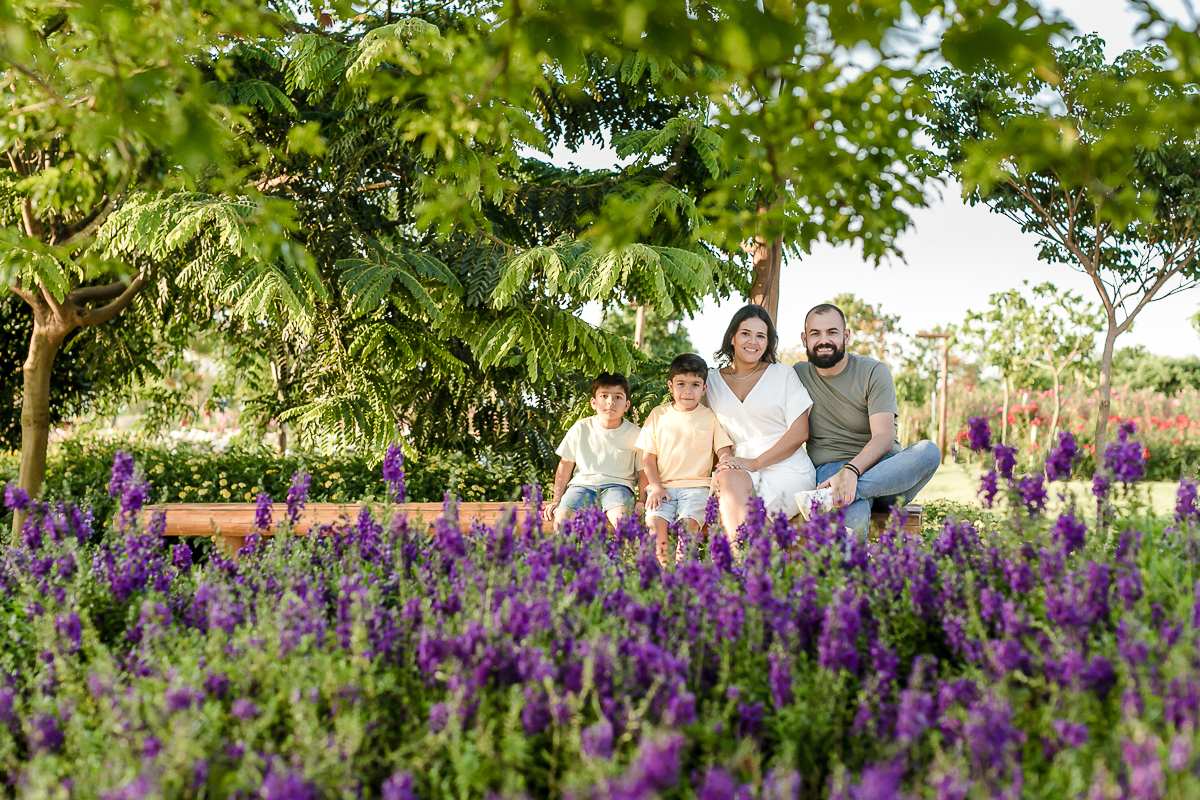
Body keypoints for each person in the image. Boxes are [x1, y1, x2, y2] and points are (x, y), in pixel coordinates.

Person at [792, 303, 941, 533]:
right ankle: (840, 500)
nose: (823, 340)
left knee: (929, 451)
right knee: (853, 519)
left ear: (846, 335)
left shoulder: (873, 371)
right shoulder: (797, 375)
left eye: (832, 332)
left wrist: (851, 473)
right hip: (831, 469)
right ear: (804, 339)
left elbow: (883, 437)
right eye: (815, 334)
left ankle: (831, 496)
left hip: (886, 473)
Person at [707, 305, 816, 536]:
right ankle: (748, 565)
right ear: (732, 337)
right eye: (745, 333)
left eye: (761, 336)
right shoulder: (711, 380)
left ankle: (740, 567)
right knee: (728, 480)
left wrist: (755, 463)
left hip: (787, 469)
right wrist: (726, 456)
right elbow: (708, 427)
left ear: (768, 343)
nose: (752, 342)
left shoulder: (782, 374)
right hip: (737, 468)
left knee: (750, 518)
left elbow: (800, 432)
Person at [637, 354, 734, 565]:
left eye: (695, 385)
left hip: (696, 488)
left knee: (688, 526)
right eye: (681, 384)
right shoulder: (658, 414)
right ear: (671, 387)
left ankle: (683, 573)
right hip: (661, 488)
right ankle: (663, 573)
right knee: (655, 526)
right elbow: (647, 457)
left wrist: (726, 459)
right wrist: (654, 486)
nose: (688, 391)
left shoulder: (709, 417)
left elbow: (724, 450)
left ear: (704, 389)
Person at [542, 372, 646, 528]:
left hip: (618, 487)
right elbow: (565, 466)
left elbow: (643, 471)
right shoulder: (581, 428)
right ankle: (568, 553)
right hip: (581, 486)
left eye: (618, 397)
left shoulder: (635, 433)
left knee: (624, 522)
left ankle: (627, 553)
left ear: (626, 405)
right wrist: (557, 500)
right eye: (604, 396)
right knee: (562, 521)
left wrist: (641, 501)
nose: (610, 402)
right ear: (593, 403)